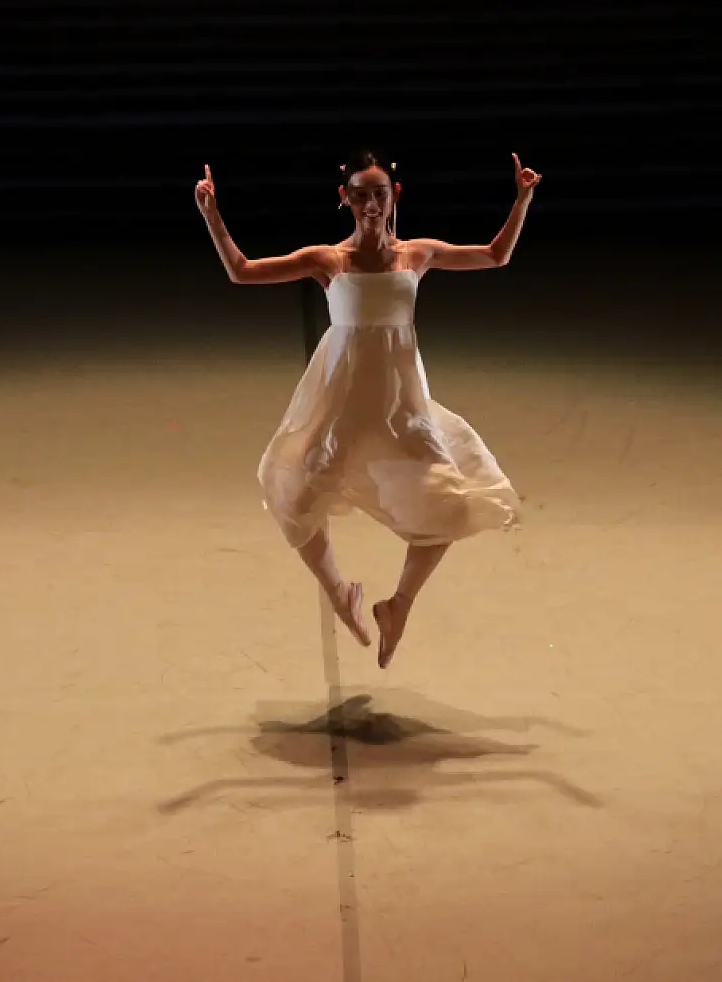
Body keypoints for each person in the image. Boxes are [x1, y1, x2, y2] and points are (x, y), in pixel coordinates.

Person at [195, 151, 533, 667]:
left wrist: (522, 198)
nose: (370, 204)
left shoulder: (417, 254)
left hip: (401, 403)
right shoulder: (329, 260)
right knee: (296, 495)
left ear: (394, 196)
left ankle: (399, 605)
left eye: (379, 194)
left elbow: (495, 255)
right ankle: (339, 592)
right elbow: (242, 271)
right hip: (342, 401)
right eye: (359, 195)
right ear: (345, 199)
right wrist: (211, 214)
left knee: (454, 504)